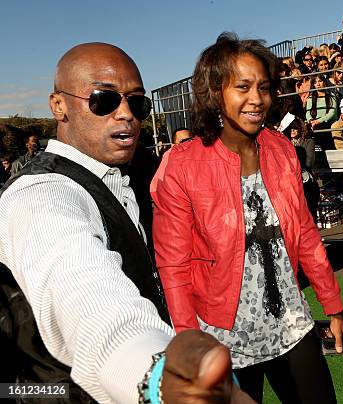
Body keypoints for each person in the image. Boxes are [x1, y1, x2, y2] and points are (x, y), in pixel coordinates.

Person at [0, 42, 248, 403]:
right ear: (58, 105)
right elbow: (83, 289)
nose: (126, 113)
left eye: (137, 102)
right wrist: (159, 377)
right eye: (104, 99)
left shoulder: (132, 173)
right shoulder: (40, 193)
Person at [151, 33, 343, 403]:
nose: (257, 99)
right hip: (223, 334)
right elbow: (173, 265)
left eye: (263, 87)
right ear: (214, 92)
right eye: (242, 87)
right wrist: (188, 341)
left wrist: (333, 307)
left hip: (291, 322)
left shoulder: (281, 149)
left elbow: (306, 235)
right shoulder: (181, 165)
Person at [306, 74, 337, 149]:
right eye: (315, 82)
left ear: (324, 82)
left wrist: (318, 121)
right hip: (314, 121)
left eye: (320, 81)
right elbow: (308, 112)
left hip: (327, 121)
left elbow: (332, 112)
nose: (318, 84)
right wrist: (310, 121)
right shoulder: (311, 98)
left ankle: (325, 149)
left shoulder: (331, 95)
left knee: (320, 128)